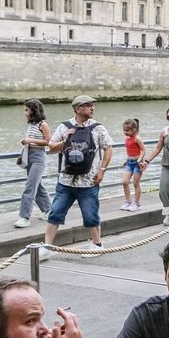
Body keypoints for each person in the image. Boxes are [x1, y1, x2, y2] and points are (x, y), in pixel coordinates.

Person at [41, 95, 113, 259]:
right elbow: (51, 148)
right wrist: (65, 140)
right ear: (77, 109)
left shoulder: (97, 128)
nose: (92, 108)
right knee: (55, 213)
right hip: (66, 180)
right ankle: (47, 246)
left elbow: (109, 148)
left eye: (93, 105)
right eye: (88, 105)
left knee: (90, 215)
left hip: (88, 181)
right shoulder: (64, 127)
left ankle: (97, 245)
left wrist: (102, 170)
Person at [15, 98, 53, 228]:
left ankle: (24, 217)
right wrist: (26, 141)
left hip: (38, 158)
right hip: (29, 156)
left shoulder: (43, 124)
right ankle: (49, 210)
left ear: (34, 110)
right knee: (37, 186)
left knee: (30, 187)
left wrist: (29, 139)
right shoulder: (31, 124)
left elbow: (49, 142)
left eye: (27, 110)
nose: (25, 113)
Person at [118, 118, 145, 212]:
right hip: (129, 162)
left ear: (134, 129)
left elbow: (143, 150)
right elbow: (130, 151)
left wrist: (139, 160)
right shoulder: (126, 138)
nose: (125, 132)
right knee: (125, 181)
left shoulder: (137, 138)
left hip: (138, 164)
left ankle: (137, 203)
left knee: (136, 183)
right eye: (124, 130)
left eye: (127, 130)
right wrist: (127, 160)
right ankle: (128, 201)